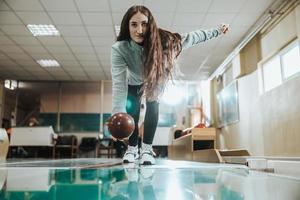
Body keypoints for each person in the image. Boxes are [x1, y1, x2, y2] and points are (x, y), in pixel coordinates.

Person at [111, 5, 229, 165]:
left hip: (156, 77)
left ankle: (146, 149)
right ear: (127, 25)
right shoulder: (120, 49)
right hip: (135, 80)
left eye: (144, 24)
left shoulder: (164, 41)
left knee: (153, 105)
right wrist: (117, 116)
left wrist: (217, 30)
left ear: (150, 25)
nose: (139, 30)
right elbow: (118, 84)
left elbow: (192, 37)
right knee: (132, 109)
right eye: (134, 24)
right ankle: (132, 149)